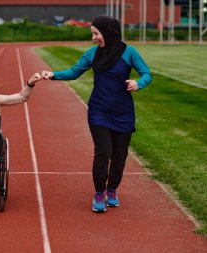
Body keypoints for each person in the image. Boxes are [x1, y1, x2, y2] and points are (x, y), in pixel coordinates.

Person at [41, 14, 152, 212]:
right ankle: (99, 192)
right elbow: (75, 72)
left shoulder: (129, 52)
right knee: (103, 152)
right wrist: (53, 75)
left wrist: (138, 83)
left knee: (120, 156)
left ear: (108, 33)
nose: (93, 38)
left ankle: (112, 190)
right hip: (99, 111)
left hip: (124, 112)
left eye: (96, 34)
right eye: (93, 34)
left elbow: (147, 74)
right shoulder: (92, 54)